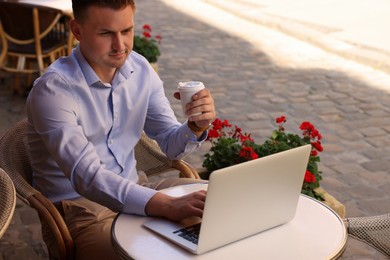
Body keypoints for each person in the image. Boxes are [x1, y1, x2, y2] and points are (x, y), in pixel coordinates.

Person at [26, 0, 216, 258]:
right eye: (106, 33)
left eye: (126, 31)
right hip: (80, 210)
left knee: (221, 210)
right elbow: (88, 177)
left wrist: (195, 125)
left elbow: (171, 145)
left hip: (138, 187)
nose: (120, 45)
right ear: (77, 30)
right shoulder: (53, 91)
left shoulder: (140, 70)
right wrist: (167, 206)